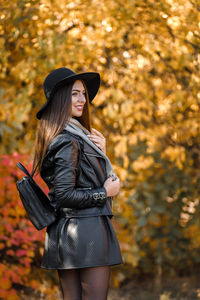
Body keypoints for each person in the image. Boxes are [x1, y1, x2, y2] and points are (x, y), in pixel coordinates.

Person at [34, 67, 122, 300]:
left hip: (69, 232)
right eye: (74, 93)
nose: (82, 99)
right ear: (61, 98)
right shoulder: (68, 140)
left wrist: (101, 153)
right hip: (86, 232)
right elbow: (64, 195)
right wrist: (104, 192)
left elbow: (77, 181)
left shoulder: (68, 136)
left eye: (83, 93)